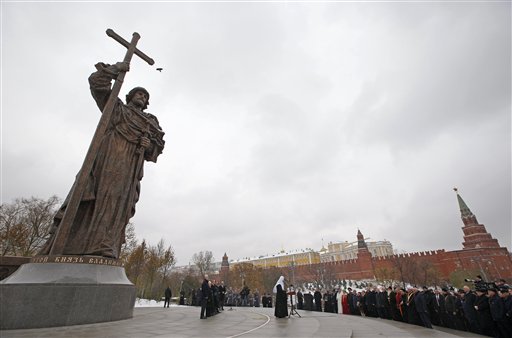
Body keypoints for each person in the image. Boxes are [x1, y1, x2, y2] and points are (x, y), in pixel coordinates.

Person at [39, 61, 165, 258]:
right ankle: (72, 244)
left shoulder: (148, 122)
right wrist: (116, 69)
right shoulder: (117, 109)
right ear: (130, 96)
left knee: (117, 203)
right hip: (105, 160)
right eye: (138, 93)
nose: (142, 96)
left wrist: (147, 143)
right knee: (92, 196)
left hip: (128, 168)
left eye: (145, 96)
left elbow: (155, 150)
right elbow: (97, 84)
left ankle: (104, 244)